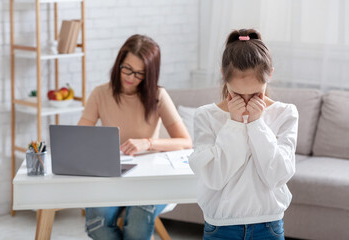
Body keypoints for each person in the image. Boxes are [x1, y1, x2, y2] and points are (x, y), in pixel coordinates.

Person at [78, 34, 192, 240]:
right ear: (119, 63)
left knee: (137, 226)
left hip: (151, 180)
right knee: (97, 224)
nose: (131, 77)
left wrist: (148, 143)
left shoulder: (157, 95)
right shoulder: (100, 94)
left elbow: (185, 141)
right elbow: (80, 138)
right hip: (111, 177)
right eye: (127, 69)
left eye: (140, 74)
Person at [189, 29, 299, 240]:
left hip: (268, 226)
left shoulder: (285, 113)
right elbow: (214, 177)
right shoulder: (206, 116)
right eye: (237, 94)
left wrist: (257, 124)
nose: (247, 102)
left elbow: (277, 175)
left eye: (257, 94)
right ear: (223, 75)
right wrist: (235, 124)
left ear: (270, 75)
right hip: (221, 228)